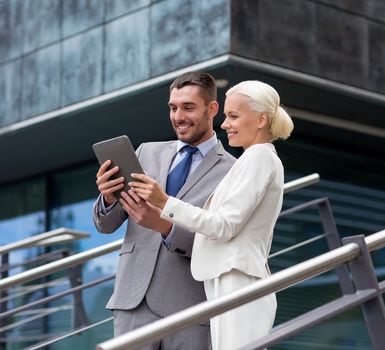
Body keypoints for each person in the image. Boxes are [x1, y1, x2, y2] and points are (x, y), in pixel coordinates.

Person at [129, 80, 294, 350]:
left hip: (238, 278)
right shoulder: (251, 159)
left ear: (261, 119)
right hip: (228, 277)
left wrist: (165, 201)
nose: (225, 124)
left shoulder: (259, 158)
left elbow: (224, 225)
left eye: (233, 116)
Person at [93, 71, 236, 349]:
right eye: (173, 107)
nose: (178, 116)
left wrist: (165, 226)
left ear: (212, 109)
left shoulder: (233, 172)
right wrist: (108, 198)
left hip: (190, 309)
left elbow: (223, 239)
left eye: (188, 107)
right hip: (132, 303)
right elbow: (106, 225)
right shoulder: (146, 152)